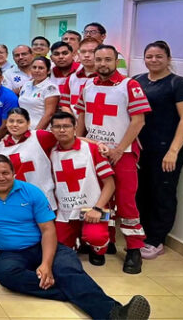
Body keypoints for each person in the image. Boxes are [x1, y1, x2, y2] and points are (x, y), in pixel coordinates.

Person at [0, 154, 151, 320]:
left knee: (67, 269)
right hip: (9, 253)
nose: (1, 177)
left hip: (44, 245)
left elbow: (48, 230)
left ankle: (115, 314)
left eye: (5, 173)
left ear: (13, 174)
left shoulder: (32, 192)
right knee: (6, 274)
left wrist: (46, 264)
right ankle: (77, 291)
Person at [75, 44, 151, 274]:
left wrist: (119, 149)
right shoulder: (87, 85)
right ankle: (102, 242)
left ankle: (134, 249)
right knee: (96, 196)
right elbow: (82, 116)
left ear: (116, 61)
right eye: (98, 59)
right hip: (94, 151)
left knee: (126, 201)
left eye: (108, 59)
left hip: (123, 154)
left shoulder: (130, 85)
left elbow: (139, 121)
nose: (103, 64)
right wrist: (77, 143)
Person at [133, 41, 183, 259]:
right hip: (141, 148)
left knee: (162, 194)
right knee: (141, 192)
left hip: (166, 151)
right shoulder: (137, 81)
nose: (153, 60)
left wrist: (173, 151)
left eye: (159, 56)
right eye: (149, 56)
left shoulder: (179, 84)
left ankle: (156, 240)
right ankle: (141, 234)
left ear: (168, 58)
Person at [49, 112, 115, 266]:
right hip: (65, 210)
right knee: (58, 246)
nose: (62, 130)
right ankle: (79, 241)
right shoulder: (50, 152)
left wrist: (98, 209)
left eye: (66, 126)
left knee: (95, 236)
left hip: (94, 206)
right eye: (57, 127)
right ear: (51, 130)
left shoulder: (91, 149)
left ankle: (98, 250)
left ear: (75, 128)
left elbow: (110, 184)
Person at [0, 107, 57, 209]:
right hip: (17, 199)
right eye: (11, 121)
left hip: (43, 196)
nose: (15, 125)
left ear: (28, 123)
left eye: (20, 122)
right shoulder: (0, 146)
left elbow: (67, 139)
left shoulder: (39, 136)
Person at [18, 57, 60, 130]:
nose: (37, 70)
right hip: (23, 129)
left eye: (41, 68)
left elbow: (49, 114)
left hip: (40, 131)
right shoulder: (26, 84)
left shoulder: (50, 88)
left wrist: (35, 133)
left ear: (48, 71)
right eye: (34, 67)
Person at [60, 38, 98, 113]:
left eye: (92, 52)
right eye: (83, 52)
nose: (86, 55)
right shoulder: (71, 78)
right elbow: (65, 105)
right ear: (78, 54)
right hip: (73, 119)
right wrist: (74, 120)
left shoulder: (106, 78)